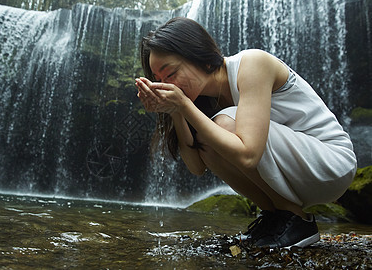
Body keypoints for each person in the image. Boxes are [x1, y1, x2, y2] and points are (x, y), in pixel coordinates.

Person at [135, 17, 357, 249]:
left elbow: (249, 155)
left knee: (222, 124)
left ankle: (296, 218)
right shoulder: (202, 101)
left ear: (199, 56)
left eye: (169, 74)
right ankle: (276, 218)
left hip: (331, 163)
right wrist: (176, 111)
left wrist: (184, 105)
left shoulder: (252, 64)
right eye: (158, 80)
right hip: (298, 174)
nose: (165, 86)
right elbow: (197, 167)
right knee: (208, 137)